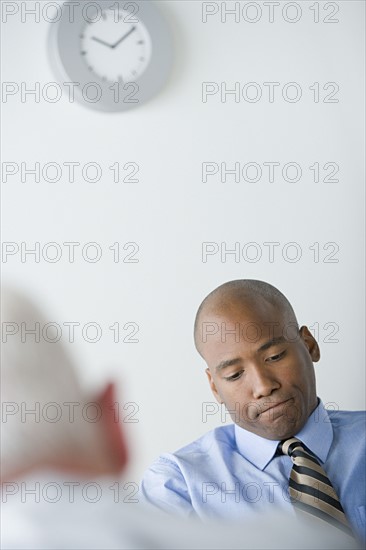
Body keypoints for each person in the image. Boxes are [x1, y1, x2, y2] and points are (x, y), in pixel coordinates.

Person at [140, 280, 366, 543]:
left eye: (275, 356)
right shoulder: (178, 486)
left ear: (309, 345)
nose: (263, 386)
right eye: (235, 374)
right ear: (214, 387)